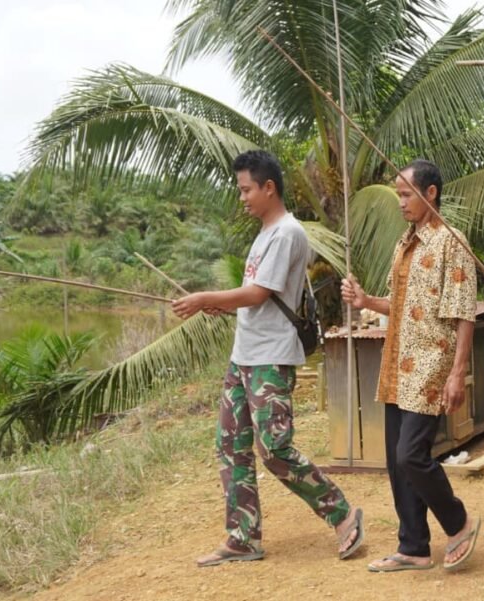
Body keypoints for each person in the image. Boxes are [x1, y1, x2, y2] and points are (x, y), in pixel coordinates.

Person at [172, 150, 364, 567]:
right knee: (231, 446)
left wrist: (207, 297)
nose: (242, 197)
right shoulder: (264, 234)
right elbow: (258, 297)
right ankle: (242, 537)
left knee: (274, 448)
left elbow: (259, 294)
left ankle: (342, 512)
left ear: (268, 187)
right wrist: (225, 305)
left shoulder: (287, 233)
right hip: (244, 356)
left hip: (269, 359)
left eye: (246, 189)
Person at [340, 159, 481, 573]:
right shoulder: (405, 243)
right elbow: (398, 307)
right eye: (398, 194)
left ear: (430, 193)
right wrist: (365, 302)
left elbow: (463, 313)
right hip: (396, 364)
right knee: (395, 459)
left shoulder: (451, 242)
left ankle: (458, 523)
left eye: (405, 194)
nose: (399, 202)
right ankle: (414, 546)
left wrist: (457, 372)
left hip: (431, 365)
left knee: (411, 455)